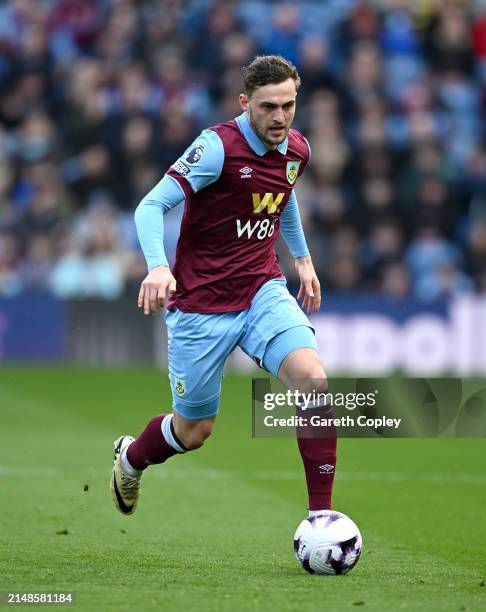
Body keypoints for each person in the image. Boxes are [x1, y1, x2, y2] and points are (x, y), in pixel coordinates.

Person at [110, 55, 337, 519]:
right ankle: (132, 459)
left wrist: (303, 258)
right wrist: (157, 266)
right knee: (194, 431)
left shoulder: (297, 149)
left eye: (288, 106)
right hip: (202, 307)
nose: (279, 117)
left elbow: (282, 196)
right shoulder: (216, 147)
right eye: (268, 107)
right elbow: (150, 207)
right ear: (244, 102)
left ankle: (321, 519)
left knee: (313, 381)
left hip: (261, 290)